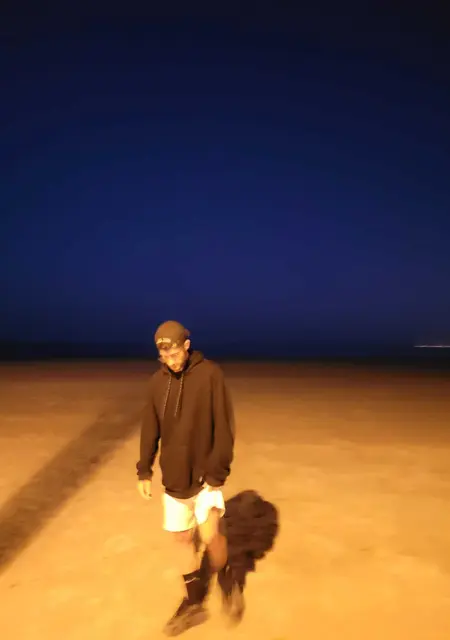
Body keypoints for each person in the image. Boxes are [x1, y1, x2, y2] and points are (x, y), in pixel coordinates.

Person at [136, 320, 237, 636]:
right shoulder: (156, 383)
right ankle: (194, 603)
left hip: (206, 476)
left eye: (175, 353)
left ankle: (226, 577)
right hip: (174, 478)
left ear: (187, 346)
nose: (171, 360)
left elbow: (224, 426)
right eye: (164, 356)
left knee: (210, 536)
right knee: (181, 539)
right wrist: (144, 470)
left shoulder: (210, 375)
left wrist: (218, 472)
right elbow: (150, 428)